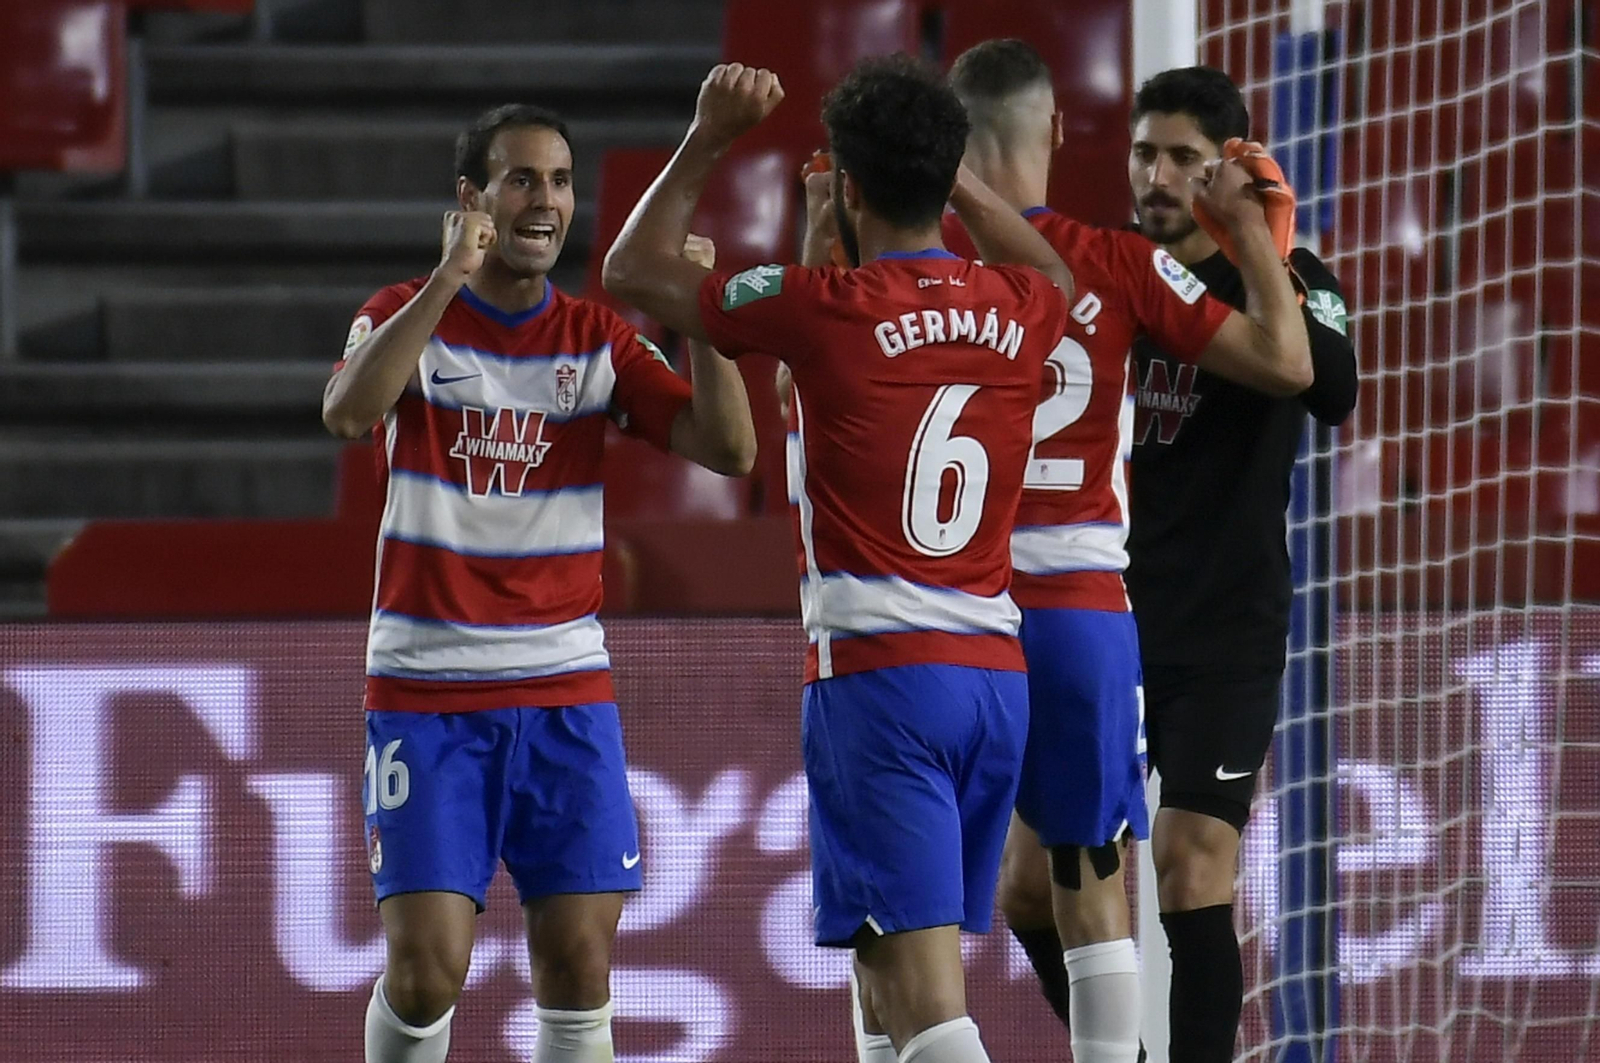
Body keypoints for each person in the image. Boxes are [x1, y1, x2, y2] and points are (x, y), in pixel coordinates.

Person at [603, 55, 1077, 1063]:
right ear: (946, 175)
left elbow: (633, 272)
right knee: (879, 973)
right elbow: (1059, 276)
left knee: (925, 1002)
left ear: (849, 188)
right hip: (994, 682)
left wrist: (708, 136)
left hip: (884, 681)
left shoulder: (822, 308)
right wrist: (954, 182)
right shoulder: (1020, 305)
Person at [321, 103, 756, 1063]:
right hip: (428, 692)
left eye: (559, 182)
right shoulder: (404, 310)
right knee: (428, 970)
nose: (546, 201)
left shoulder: (595, 339)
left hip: (564, 690)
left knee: (578, 966)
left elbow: (731, 447)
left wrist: (703, 312)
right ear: (472, 198)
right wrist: (447, 278)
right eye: (521, 179)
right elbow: (349, 413)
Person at [922, 37, 1328, 1063]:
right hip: (1098, 611)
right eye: (1142, 153)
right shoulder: (1115, 267)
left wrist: (1260, 251)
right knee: (1043, 884)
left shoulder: (934, 270)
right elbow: (1274, 363)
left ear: (1225, 162)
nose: (1155, 175)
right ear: (1069, 137)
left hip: (1196, 620)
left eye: (1180, 157)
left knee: (1181, 871)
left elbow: (1325, 380)